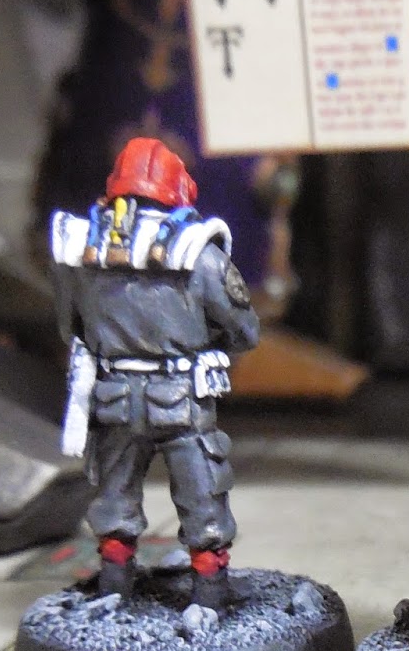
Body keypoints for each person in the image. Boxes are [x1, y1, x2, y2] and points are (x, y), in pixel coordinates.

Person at [50, 138, 260, 610]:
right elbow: (245, 331)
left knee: (115, 496)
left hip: (112, 394)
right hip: (180, 398)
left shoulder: (79, 248)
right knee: (203, 494)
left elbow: (69, 327)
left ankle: (114, 585)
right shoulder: (200, 253)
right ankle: (209, 594)